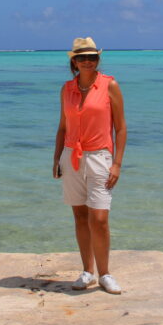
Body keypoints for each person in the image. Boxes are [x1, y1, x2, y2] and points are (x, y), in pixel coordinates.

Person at [53, 37, 127, 294]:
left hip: (100, 157)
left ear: (98, 60)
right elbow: (63, 127)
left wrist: (117, 164)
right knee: (80, 217)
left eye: (92, 57)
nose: (88, 61)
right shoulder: (67, 89)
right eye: (82, 57)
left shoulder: (110, 86)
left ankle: (105, 274)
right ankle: (87, 271)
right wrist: (56, 159)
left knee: (100, 218)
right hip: (71, 157)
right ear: (74, 61)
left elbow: (120, 128)